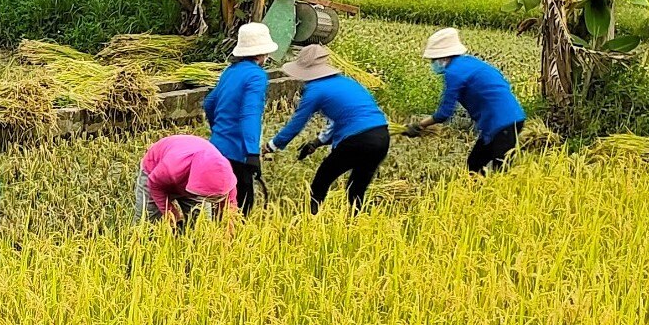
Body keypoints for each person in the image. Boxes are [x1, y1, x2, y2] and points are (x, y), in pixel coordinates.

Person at [264, 44, 390, 212]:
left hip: (357, 141)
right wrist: (316, 143)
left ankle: (312, 219)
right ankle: (354, 226)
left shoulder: (315, 90)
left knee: (321, 181)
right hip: (381, 136)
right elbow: (344, 119)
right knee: (357, 188)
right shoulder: (348, 82)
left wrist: (271, 145)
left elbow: (296, 124)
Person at [403, 27, 526, 174]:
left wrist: (419, 125)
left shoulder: (454, 73)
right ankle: (480, 193)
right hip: (507, 119)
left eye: (433, 60)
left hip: (502, 123)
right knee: (474, 164)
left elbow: (444, 113)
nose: (433, 63)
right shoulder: (470, 63)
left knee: (501, 168)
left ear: (443, 57)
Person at [203, 22, 276, 214]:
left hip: (217, 148)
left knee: (218, 202)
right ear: (263, 53)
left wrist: (218, 129)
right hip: (238, 151)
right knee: (242, 205)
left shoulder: (230, 71)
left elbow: (209, 103)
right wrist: (252, 153)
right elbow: (250, 114)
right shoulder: (256, 76)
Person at [138, 134, 238, 225]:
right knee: (147, 223)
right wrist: (169, 211)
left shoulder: (226, 175)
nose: (213, 202)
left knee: (203, 226)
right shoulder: (171, 168)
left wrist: (228, 223)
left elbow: (230, 208)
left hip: (197, 187)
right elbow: (154, 184)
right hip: (156, 175)